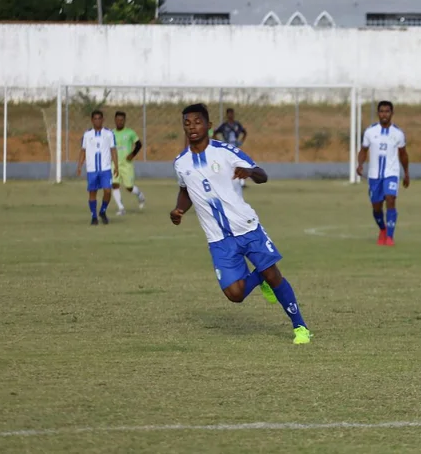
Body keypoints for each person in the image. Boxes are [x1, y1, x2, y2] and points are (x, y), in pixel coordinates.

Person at [170, 103, 312, 344]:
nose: (192, 127)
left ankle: (300, 327)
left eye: (197, 122)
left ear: (209, 125)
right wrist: (180, 209)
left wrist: (249, 173)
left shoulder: (226, 152)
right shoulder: (180, 163)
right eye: (187, 123)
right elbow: (185, 190)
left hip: (246, 227)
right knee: (235, 294)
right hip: (218, 239)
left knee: (274, 275)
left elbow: (262, 174)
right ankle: (260, 277)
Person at [356, 101, 410, 246]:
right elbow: (363, 150)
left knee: (391, 199)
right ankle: (383, 229)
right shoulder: (370, 132)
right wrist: (360, 164)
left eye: (387, 111)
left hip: (391, 173)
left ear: (392, 114)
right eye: (381, 111)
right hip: (374, 175)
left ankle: (390, 237)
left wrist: (406, 173)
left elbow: (403, 154)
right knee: (376, 207)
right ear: (378, 113)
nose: (384, 114)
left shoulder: (398, 134)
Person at [76, 110, 118, 226]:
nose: (97, 121)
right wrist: (79, 165)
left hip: (105, 168)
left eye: (100, 118)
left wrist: (116, 166)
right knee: (92, 193)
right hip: (92, 169)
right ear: (92, 120)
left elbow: (113, 150)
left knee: (108, 191)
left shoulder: (109, 134)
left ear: (103, 120)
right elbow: (83, 151)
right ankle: (94, 216)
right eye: (95, 118)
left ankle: (103, 211)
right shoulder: (87, 135)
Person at [111, 111, 146, 215]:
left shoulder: (130, 133)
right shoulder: (111, 133)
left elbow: (139, 144)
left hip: (127, 164)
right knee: (115, 185)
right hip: (115, 164)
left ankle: (140, 195)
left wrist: (133, 154)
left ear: (124, 121)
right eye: (118, 120)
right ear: (115, 120)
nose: (119, 122)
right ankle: (121, 208)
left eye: (122, 120)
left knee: (129, 187)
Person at [215, 108, 249, 195]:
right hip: (226, 148)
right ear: (227, 115)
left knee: (239, 163)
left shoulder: (237, 124)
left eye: (232, 113)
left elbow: (244, 132)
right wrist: (220, 142)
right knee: (225, 164)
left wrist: (240, 142)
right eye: (229, 114)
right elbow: (214, 132)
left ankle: (242, 182)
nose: (231, 115)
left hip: (235, 147)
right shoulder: (224, 125)